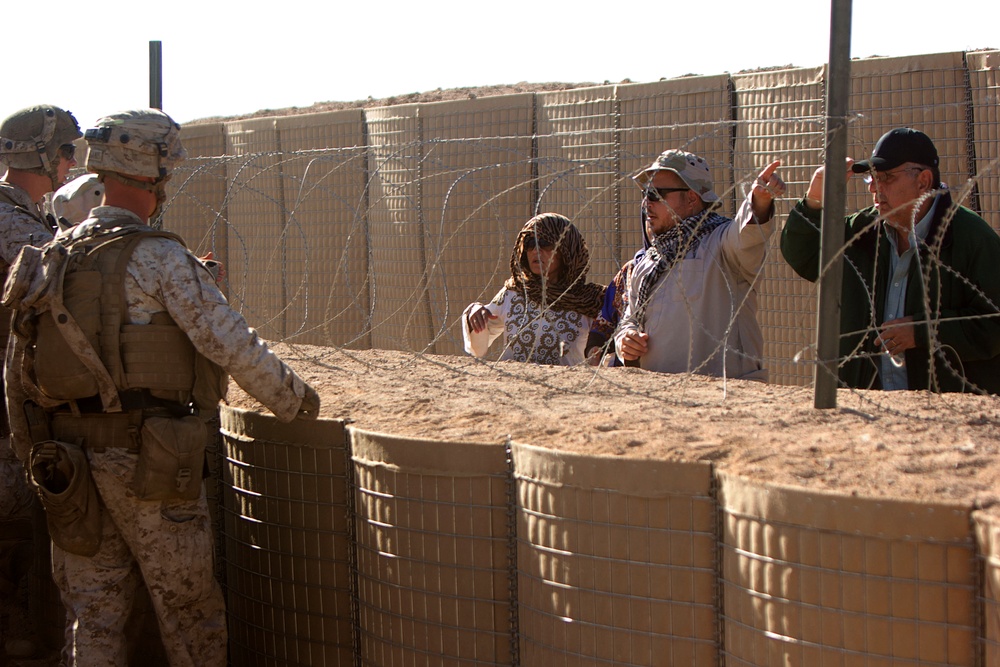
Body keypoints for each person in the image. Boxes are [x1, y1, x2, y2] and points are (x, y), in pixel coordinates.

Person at [3, 108, 320, 666]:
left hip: (68, 460)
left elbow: (17, 374)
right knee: (189, 611)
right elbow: (231, 344)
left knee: (94, 617)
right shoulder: (159, 256)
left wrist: (39, 460)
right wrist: (296, 401)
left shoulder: (49, 256)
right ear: (157, 175)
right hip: (148, 460)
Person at [780, 127, 1000, 393]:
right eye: (871, 178)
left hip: (947, 413)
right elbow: (804, 255)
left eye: (886, 177)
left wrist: (923, 331)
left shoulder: (970, 237)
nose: (874, 187)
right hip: (871, 408)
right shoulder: (862, 230)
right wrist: (814, 199)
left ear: (923, 181)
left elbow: (993, 324)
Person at [0, 103, 81, 654]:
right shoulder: (12, 224)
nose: (73, 164)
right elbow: (66, 288)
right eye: (67, 152)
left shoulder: (23, 217)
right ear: (45, 156)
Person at [613, 150, 783, 379]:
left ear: (692, 198)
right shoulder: (648, 261)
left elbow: (747, 235)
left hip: (722, 399)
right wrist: (626, 341)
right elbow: (629, 319)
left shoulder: (721, 243)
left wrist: (758, 201)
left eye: (655, 194)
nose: (646, 203)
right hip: (659, 399)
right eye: (645, 194)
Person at [463, 212, 604, 365]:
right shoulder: (514, 293)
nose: (536, 250)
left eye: (545, 243)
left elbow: (606, 351)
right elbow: (479, 346)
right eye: (530, 243)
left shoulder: (589, 300)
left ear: (566, 250)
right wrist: (474, 312)